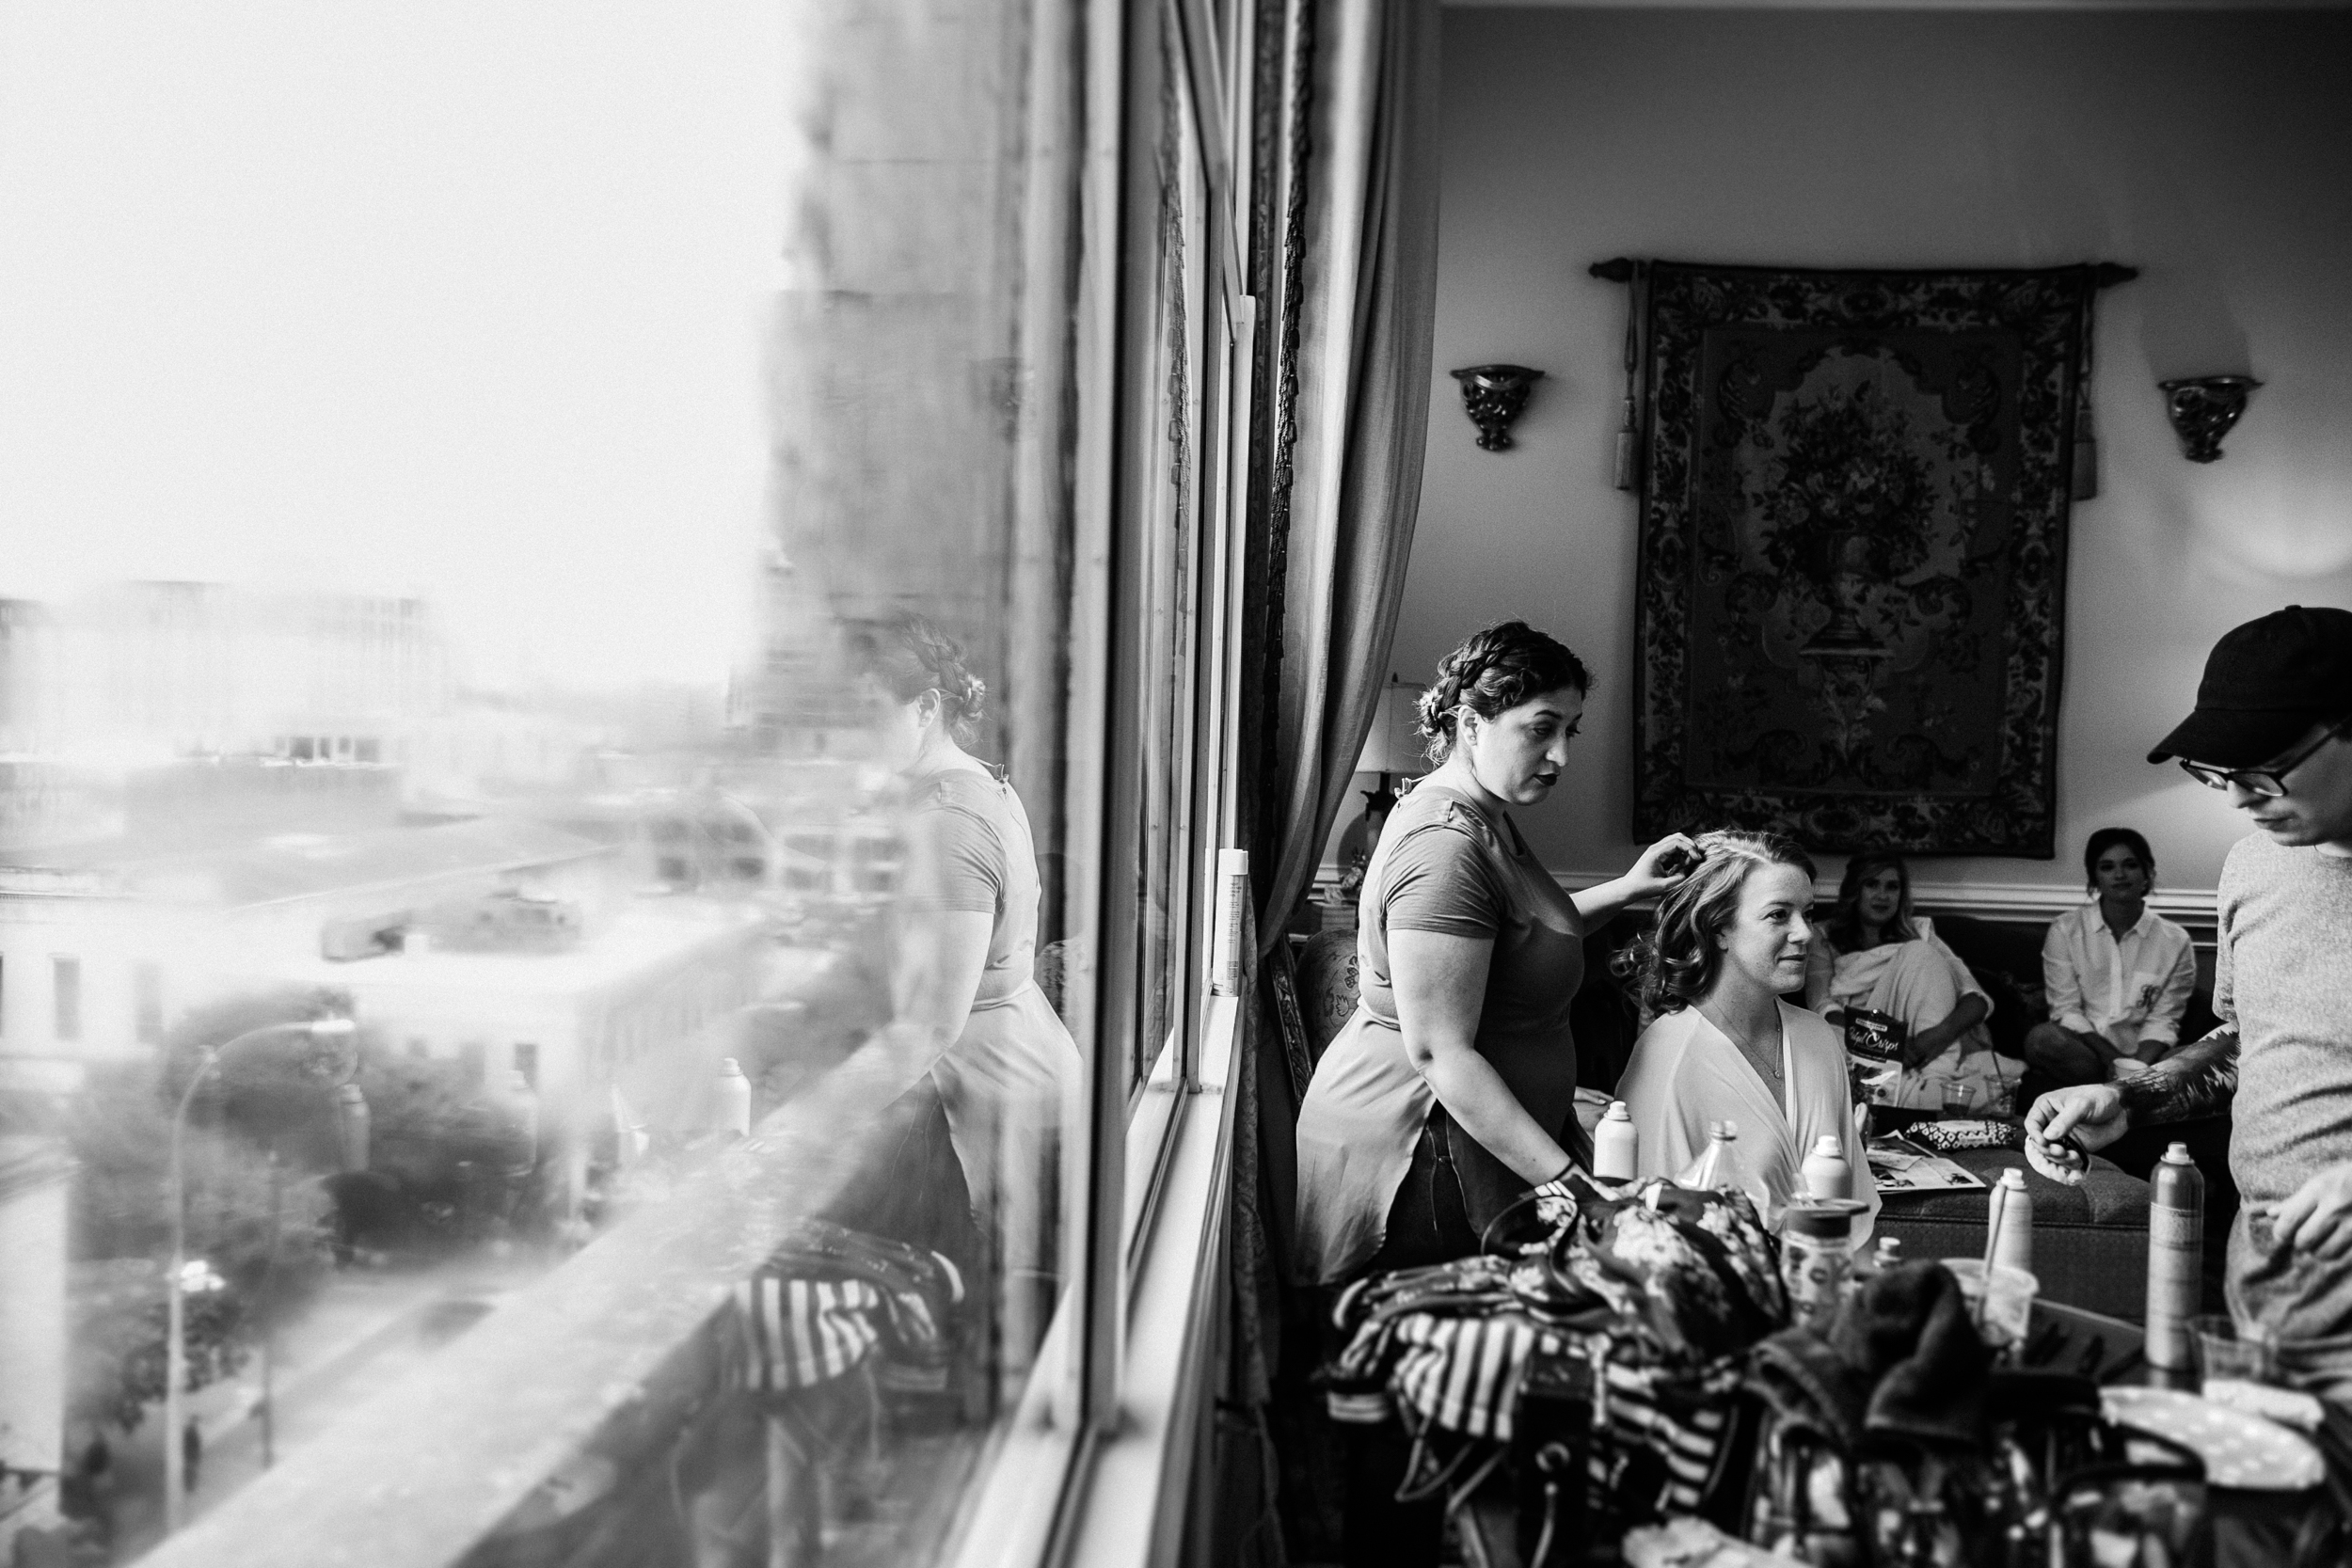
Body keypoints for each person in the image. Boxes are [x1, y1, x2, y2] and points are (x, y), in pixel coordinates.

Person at [1292, 621, 1694, 1568]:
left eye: (1572, 731)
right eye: (1540, 727)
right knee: (1422, 1409)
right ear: (1472, 718)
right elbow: (1441, 1052)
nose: (1560, 754)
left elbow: (1518, 935)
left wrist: (1626, 889)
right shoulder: (1444, 843)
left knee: (1459, 1402)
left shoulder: (1480, 816)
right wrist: (1571, 1180)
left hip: (1463, 1140)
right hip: (1418, 1148)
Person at [2029, 606, 2352, 1357]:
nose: (2238, 797)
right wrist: (2133, 1098)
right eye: (2218, 773)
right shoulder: (2254, 864)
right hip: (2269, 1291)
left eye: (2261, 764)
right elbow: (2248, 1039)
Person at [1613, 831, 1878, 1243]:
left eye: (1807, 913)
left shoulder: (1817, 1038)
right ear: (1718, 928)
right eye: (1778, 915)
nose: (1805, 933)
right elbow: (1653, 1244)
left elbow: (1853, 1225)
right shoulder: (1671, 1058)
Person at [1803, 851, 2015, 1113]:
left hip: (1925, 1046)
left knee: (1919, 952)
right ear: (1854, 889)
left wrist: (1931, 1039)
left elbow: (1976, 1000)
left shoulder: (1921, 933)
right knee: (1826, 1048)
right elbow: (1823, 1007)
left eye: (1893, 887)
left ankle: (1924, 1088)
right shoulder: (1823, 936)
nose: (1883, 895)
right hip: (1863, 1036)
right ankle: (1929, 1101)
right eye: (1872, 884)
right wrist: (1886, 1043)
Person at [2021, 827, 2197, 1089]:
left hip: (2147, 1056)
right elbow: (2066, 1010)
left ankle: (2124, 1092)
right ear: (2095, 878)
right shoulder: (2066, 930)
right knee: (2042, 1040)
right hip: (2084, 1052)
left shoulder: (2175, 941)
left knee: (2196, 1059)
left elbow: (2163, 1020)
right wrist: (2112, 1061)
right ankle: (2121, 1095)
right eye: (2107, 867)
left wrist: (2136, 1068)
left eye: (2130, 865)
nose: (2119, 875)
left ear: (2147, 873)